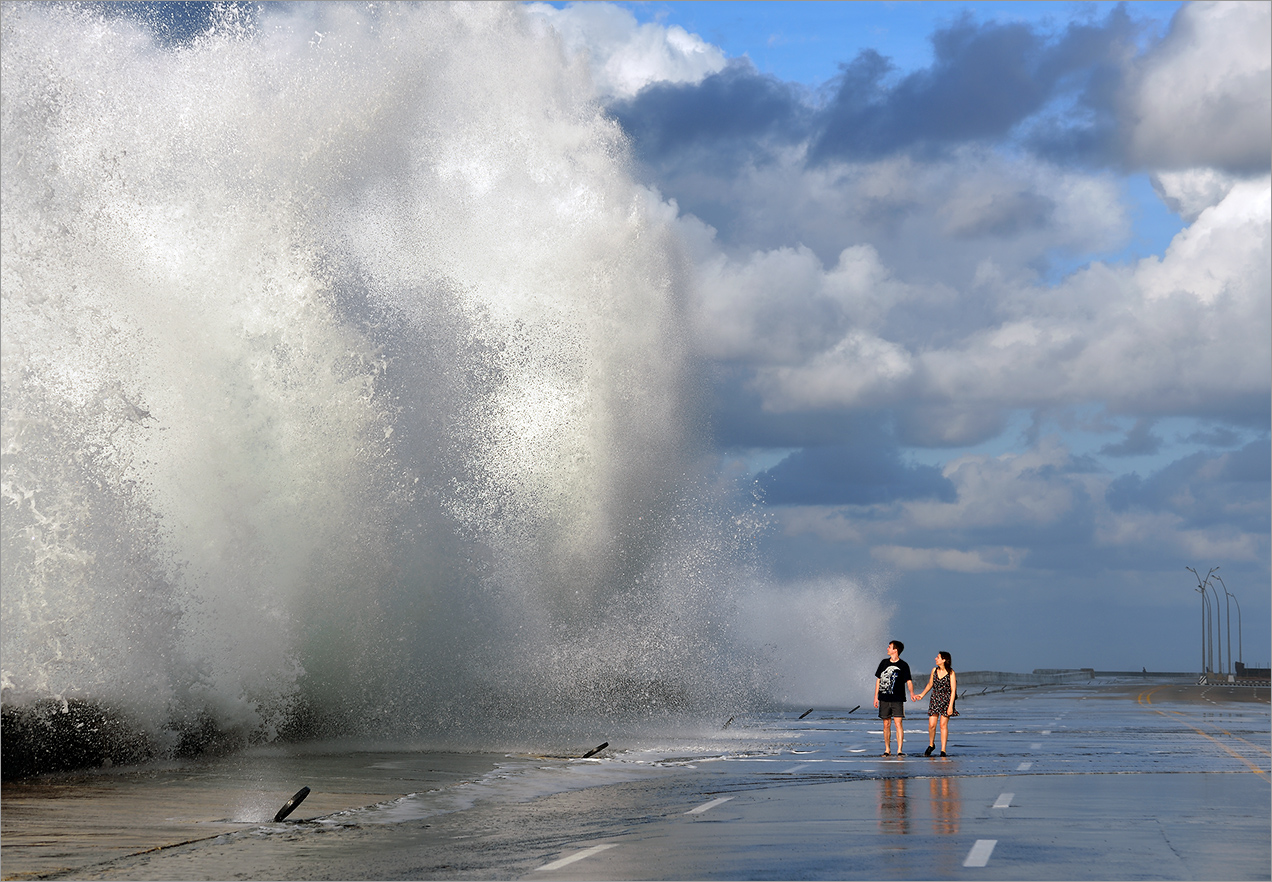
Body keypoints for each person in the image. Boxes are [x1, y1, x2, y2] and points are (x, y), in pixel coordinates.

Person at [874, 640, 916, 756]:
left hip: (898, 698)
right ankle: (887, 749)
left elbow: (909, 681)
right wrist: (876, 697)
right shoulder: (883, 663)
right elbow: (878, 680)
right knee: (886, 724)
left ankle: (899, 750)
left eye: (889, 647)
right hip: (884, 698)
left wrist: (912, 693)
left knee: (898, 723)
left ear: (895, 650)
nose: (887, 649)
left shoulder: (903, 665)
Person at [914, 651, 957, 756]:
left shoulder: (951, 672)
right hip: (935, 699)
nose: (935, 659)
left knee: (943, 725)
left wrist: (951, 706)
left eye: (938, 657)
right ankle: (931, 744)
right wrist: (922, 695)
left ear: (944, 660)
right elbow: (930, 684)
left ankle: (943, 750)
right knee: (932, 725)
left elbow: (953, 690)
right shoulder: (934, 670)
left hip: (947, 700)